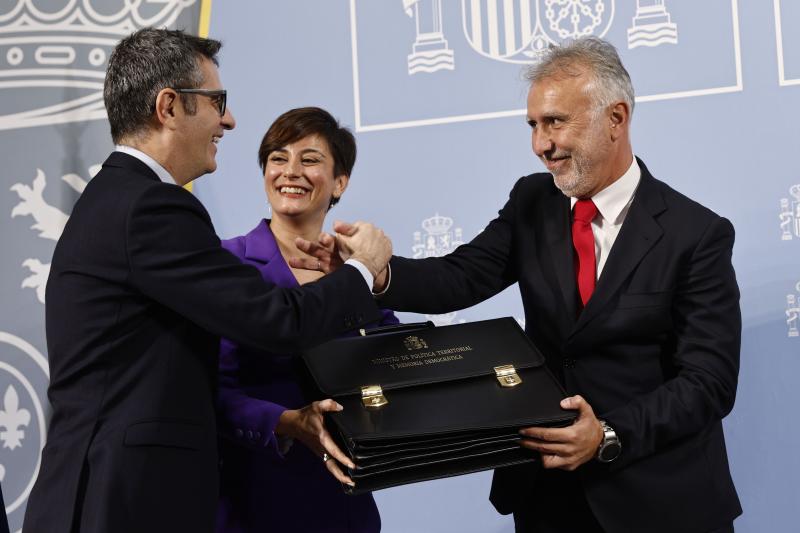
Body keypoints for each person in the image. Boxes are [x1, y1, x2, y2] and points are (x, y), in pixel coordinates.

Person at [307, 37, 742, 533]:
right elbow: (460, 276)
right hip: (547, 496)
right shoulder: (532, 200)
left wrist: (606, 434)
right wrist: (377, 271)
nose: (541, 145)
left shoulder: (697, 233)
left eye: (556, 122)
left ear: (616, 118)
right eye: (534, 125)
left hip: (659, 500)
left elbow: (709, 382)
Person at [22, 29, 391, 533]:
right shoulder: (151, 207)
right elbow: (276, 320)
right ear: (169, 106)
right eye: (217, 101)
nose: (229, 119)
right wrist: (364, 269)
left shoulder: (120, 198)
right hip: (125, 502)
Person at [215, 107, 396, 533]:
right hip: (254, 496)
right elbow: (208, 387)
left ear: (340, 182)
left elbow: (394, 356)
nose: (290, 171)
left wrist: (362, 278)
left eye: (310, 159)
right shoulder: (228, 262)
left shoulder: (359, 271)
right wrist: (288, 423)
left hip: (344, 501)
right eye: (278, 158)